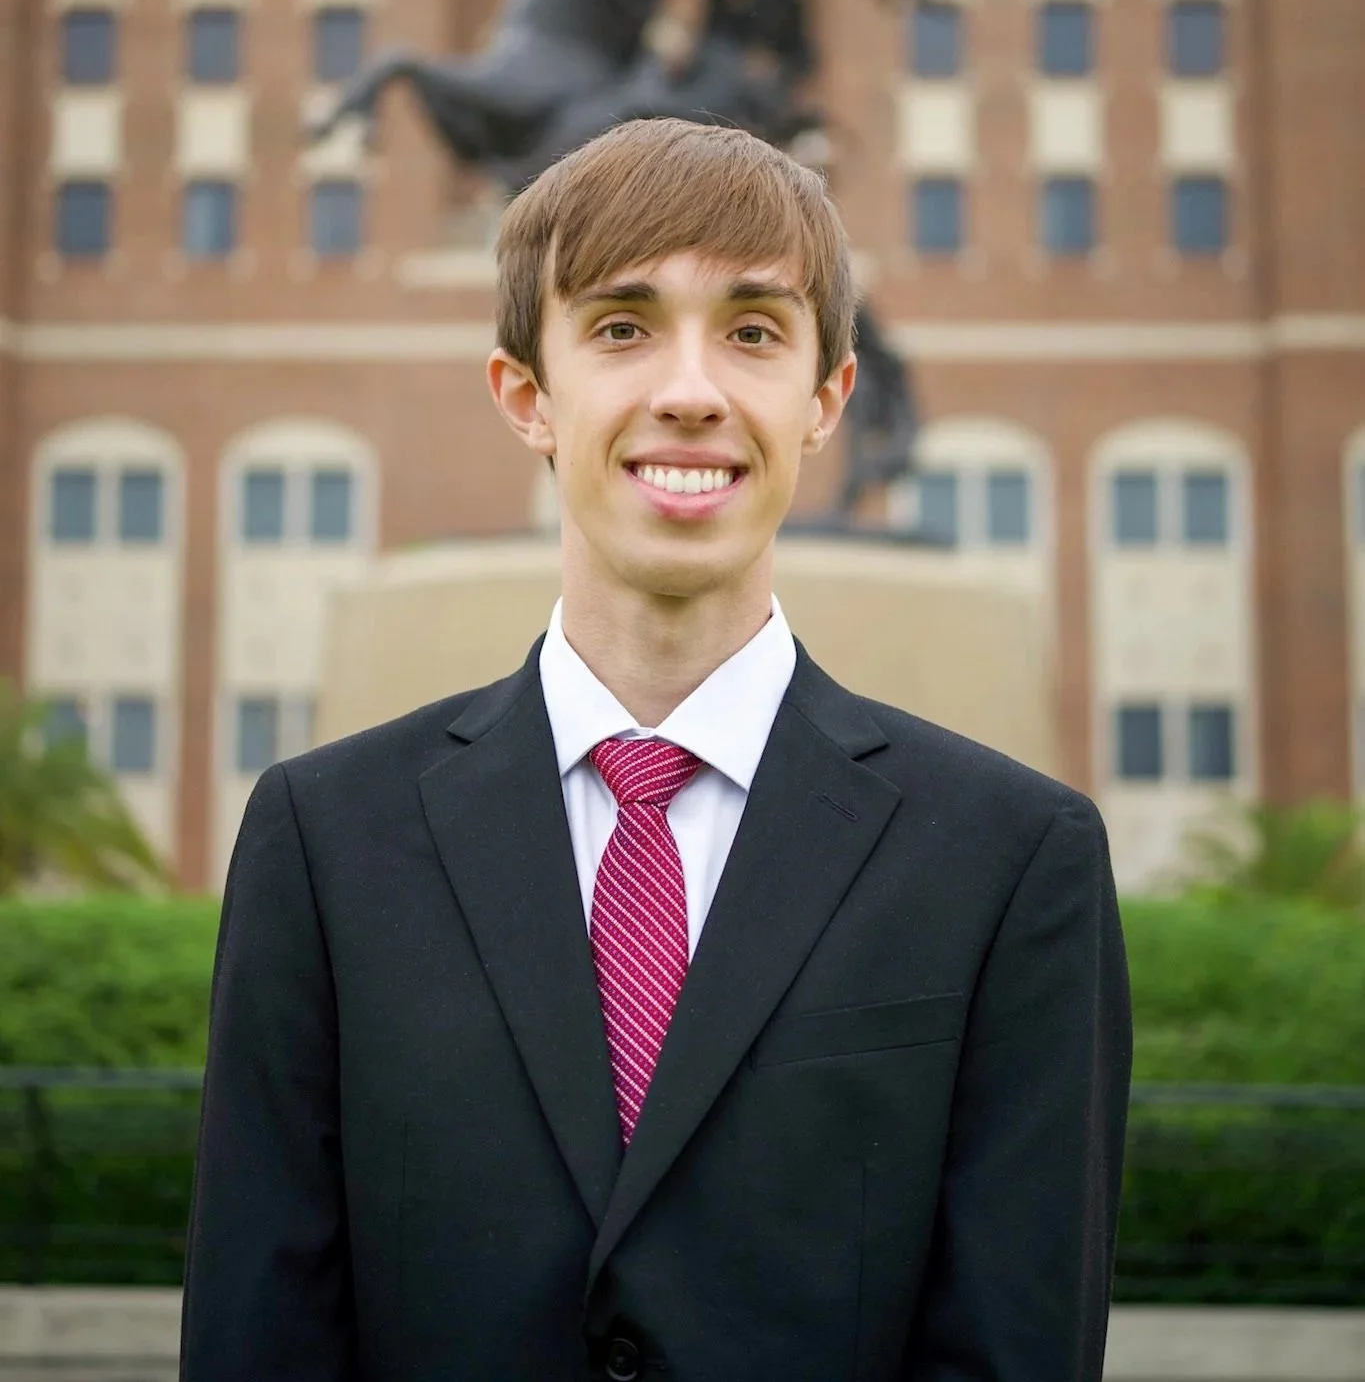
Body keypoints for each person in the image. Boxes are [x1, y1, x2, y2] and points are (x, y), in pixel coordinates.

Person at [181, 118, 1132, 1381]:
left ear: (825, 399)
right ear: (528, 394)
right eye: (623, 326)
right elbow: (261, 1333)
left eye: (752, 330)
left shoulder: (1015, 859)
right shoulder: (324, 837)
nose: (691, 389)